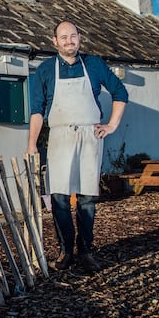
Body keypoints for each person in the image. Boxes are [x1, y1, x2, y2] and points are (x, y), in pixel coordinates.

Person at [27, 21, 128, 272]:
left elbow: (120, 93)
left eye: (73, 36)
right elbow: (37, 110)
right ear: (55, 42)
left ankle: (85, 251)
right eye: (63, 37)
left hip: (89, 136)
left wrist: (111, 125)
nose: (69, 41)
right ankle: (66, 251)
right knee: (59, 197)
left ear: (79, 38)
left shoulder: (94, 64)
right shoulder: (45, 70)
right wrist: (32, 144)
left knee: (87, 198)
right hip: (60, 136)